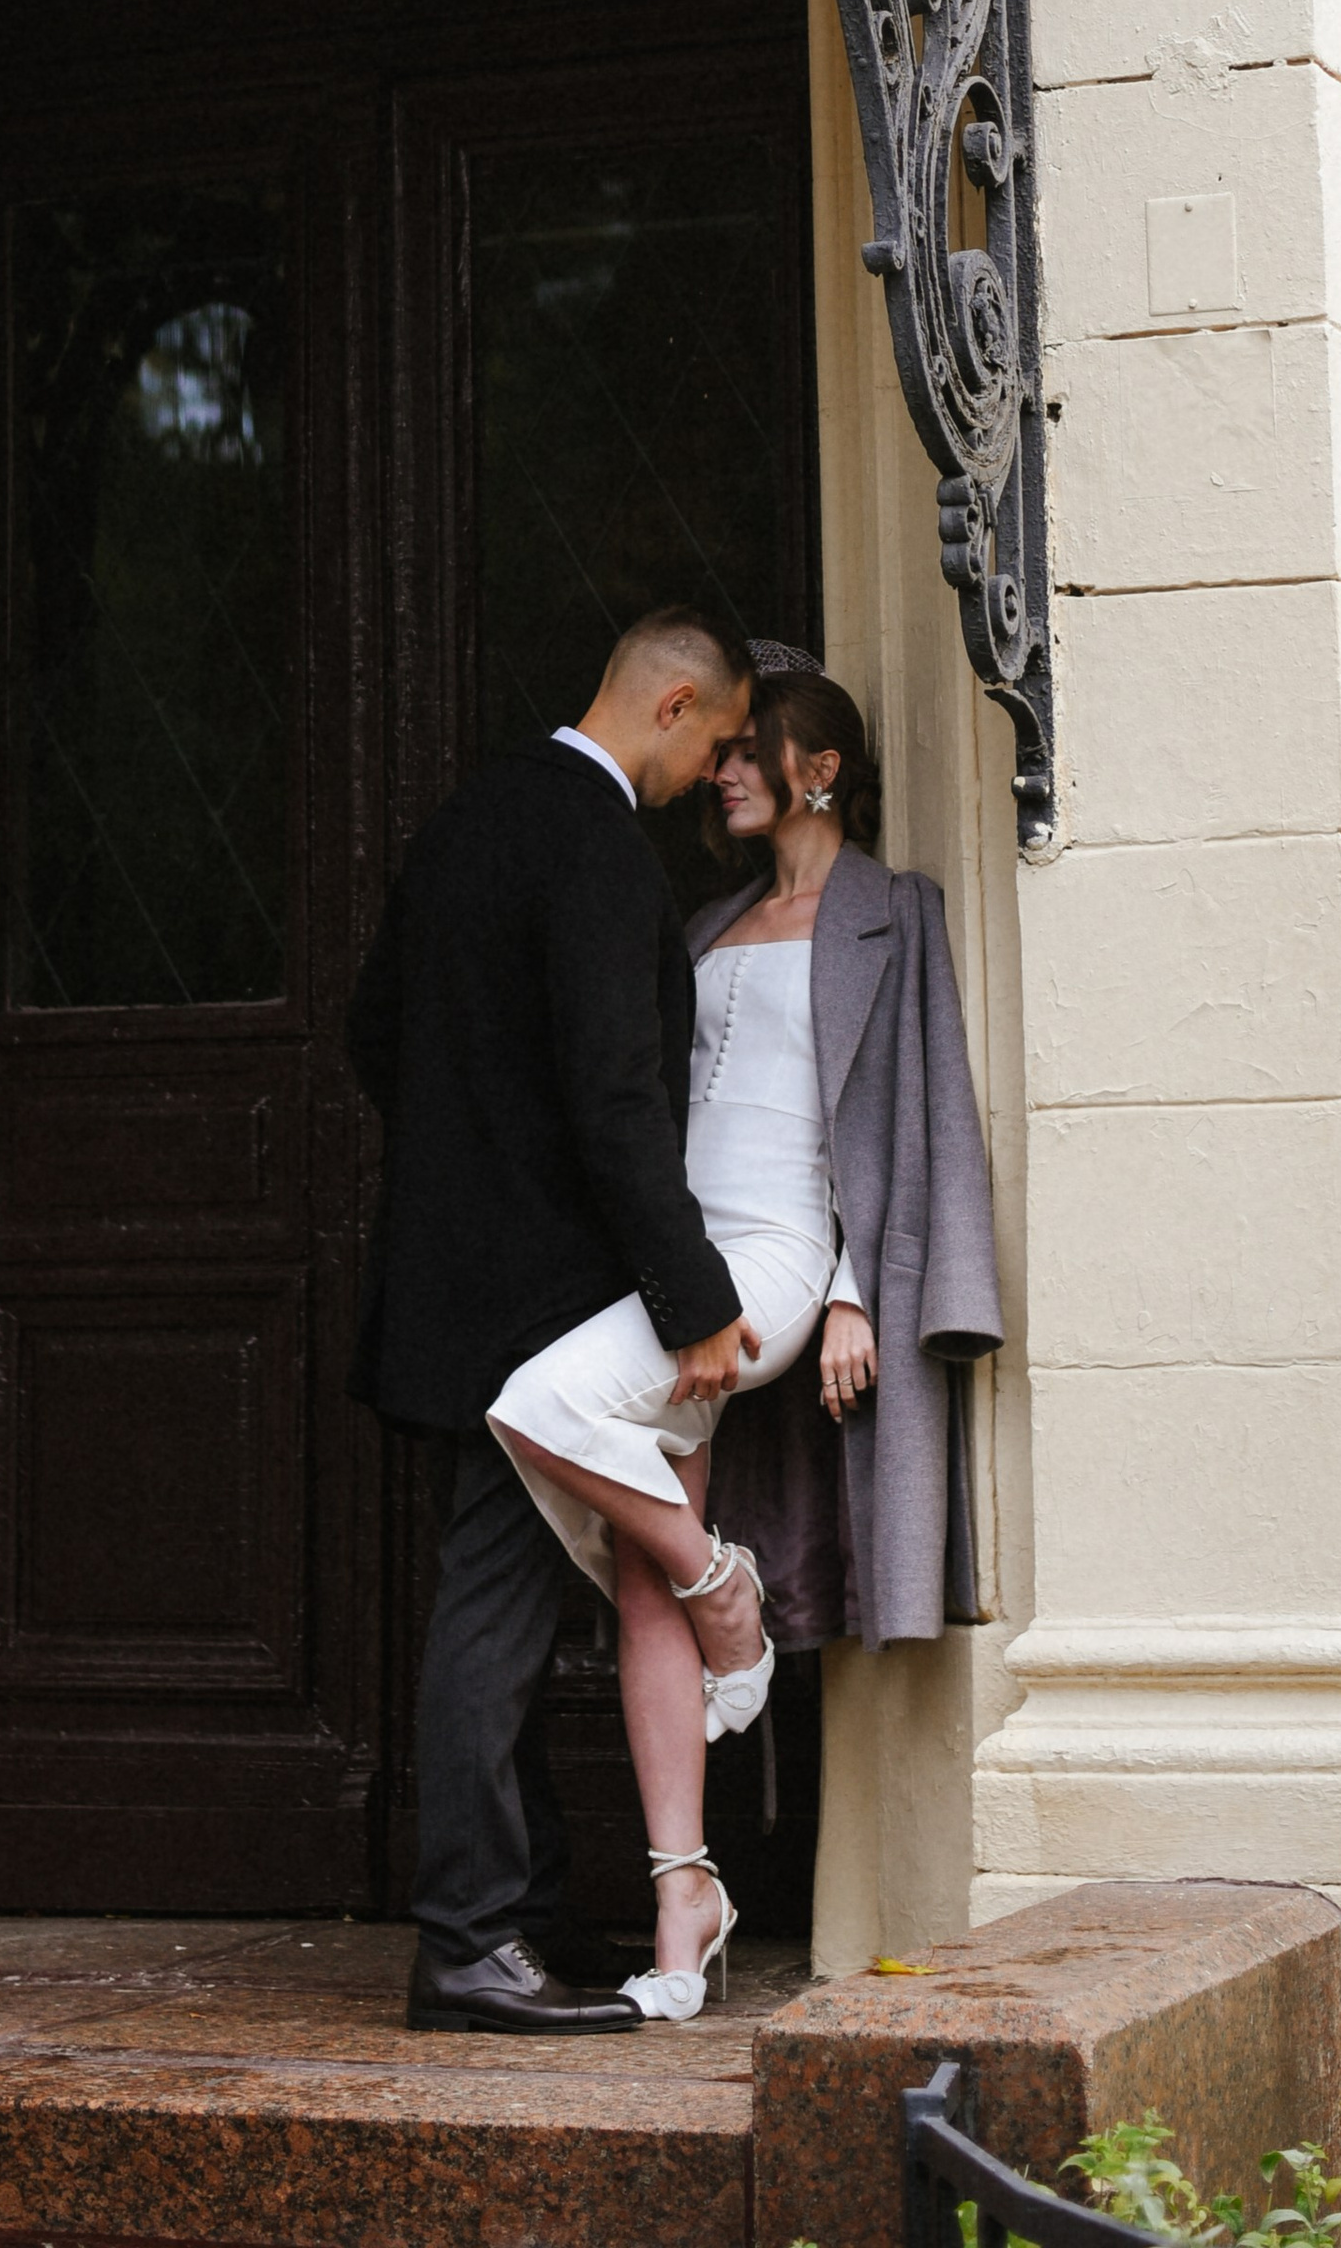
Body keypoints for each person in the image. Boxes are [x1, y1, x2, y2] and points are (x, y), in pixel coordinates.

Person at [488, 648, 1001, 2020]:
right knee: (629, 1554)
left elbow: (906, 1120)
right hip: (676, 1261)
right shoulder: (705, 921)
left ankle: (729, 1594)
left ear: (817, 767)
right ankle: (684, 1898)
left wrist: (848, 1286)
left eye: (747, 748)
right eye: (714, 749)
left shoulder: (895, 913)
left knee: (539, 1404)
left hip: (771, 1261)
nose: (721, 767)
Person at [348, 600, 759, 2035]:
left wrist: (467, 1157)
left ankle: (519, 1911)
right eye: (715, 736)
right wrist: (694, 1295)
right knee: (495, 1618)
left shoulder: (468, 818)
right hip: (538, 1309)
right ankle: (468, 1939)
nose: (715, 770)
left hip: (448, 1284)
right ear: (669, 705)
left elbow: (370, 1023)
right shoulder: (593, 840)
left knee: (494, 1607)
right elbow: (612, 1090)